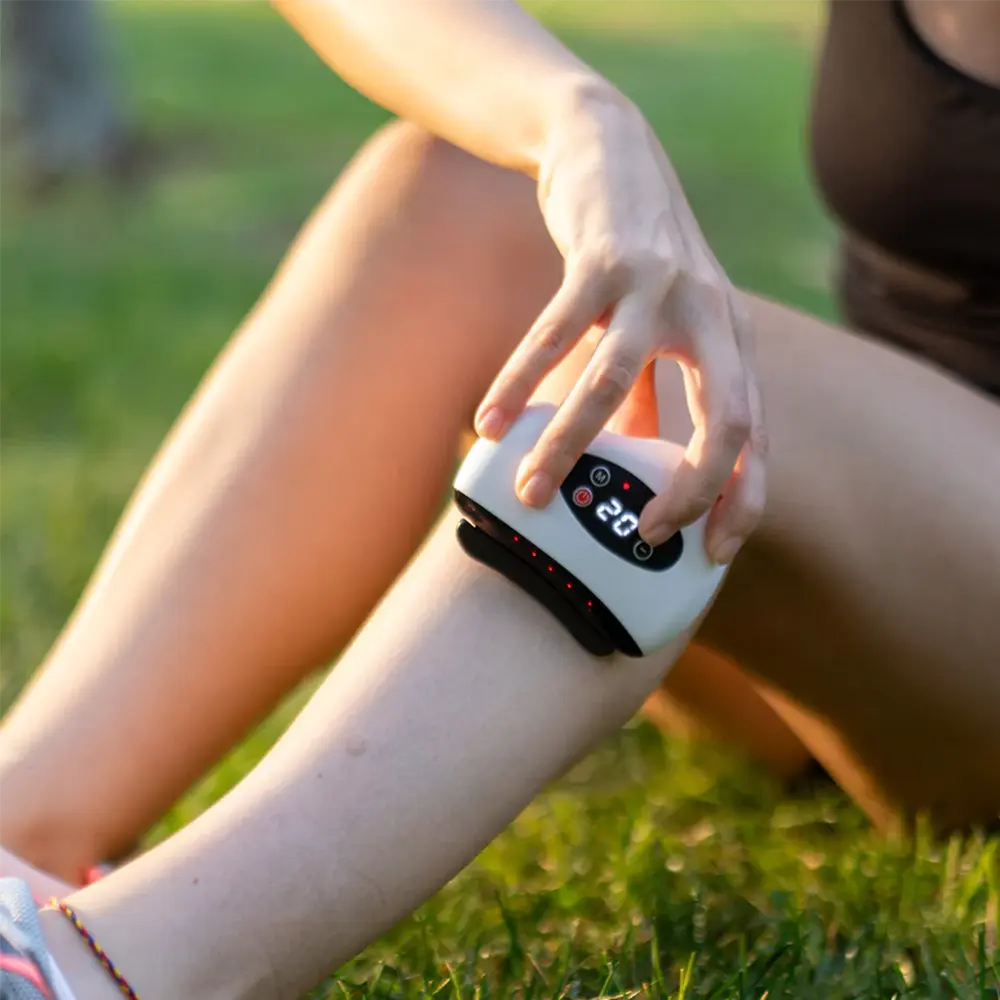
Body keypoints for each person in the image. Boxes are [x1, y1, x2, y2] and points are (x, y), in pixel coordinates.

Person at [3, 0, 1000, 996]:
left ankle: (105, 976)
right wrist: (574, 120)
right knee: (463, 194)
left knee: (669, 399)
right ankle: (24, 828)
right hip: (861, 584)